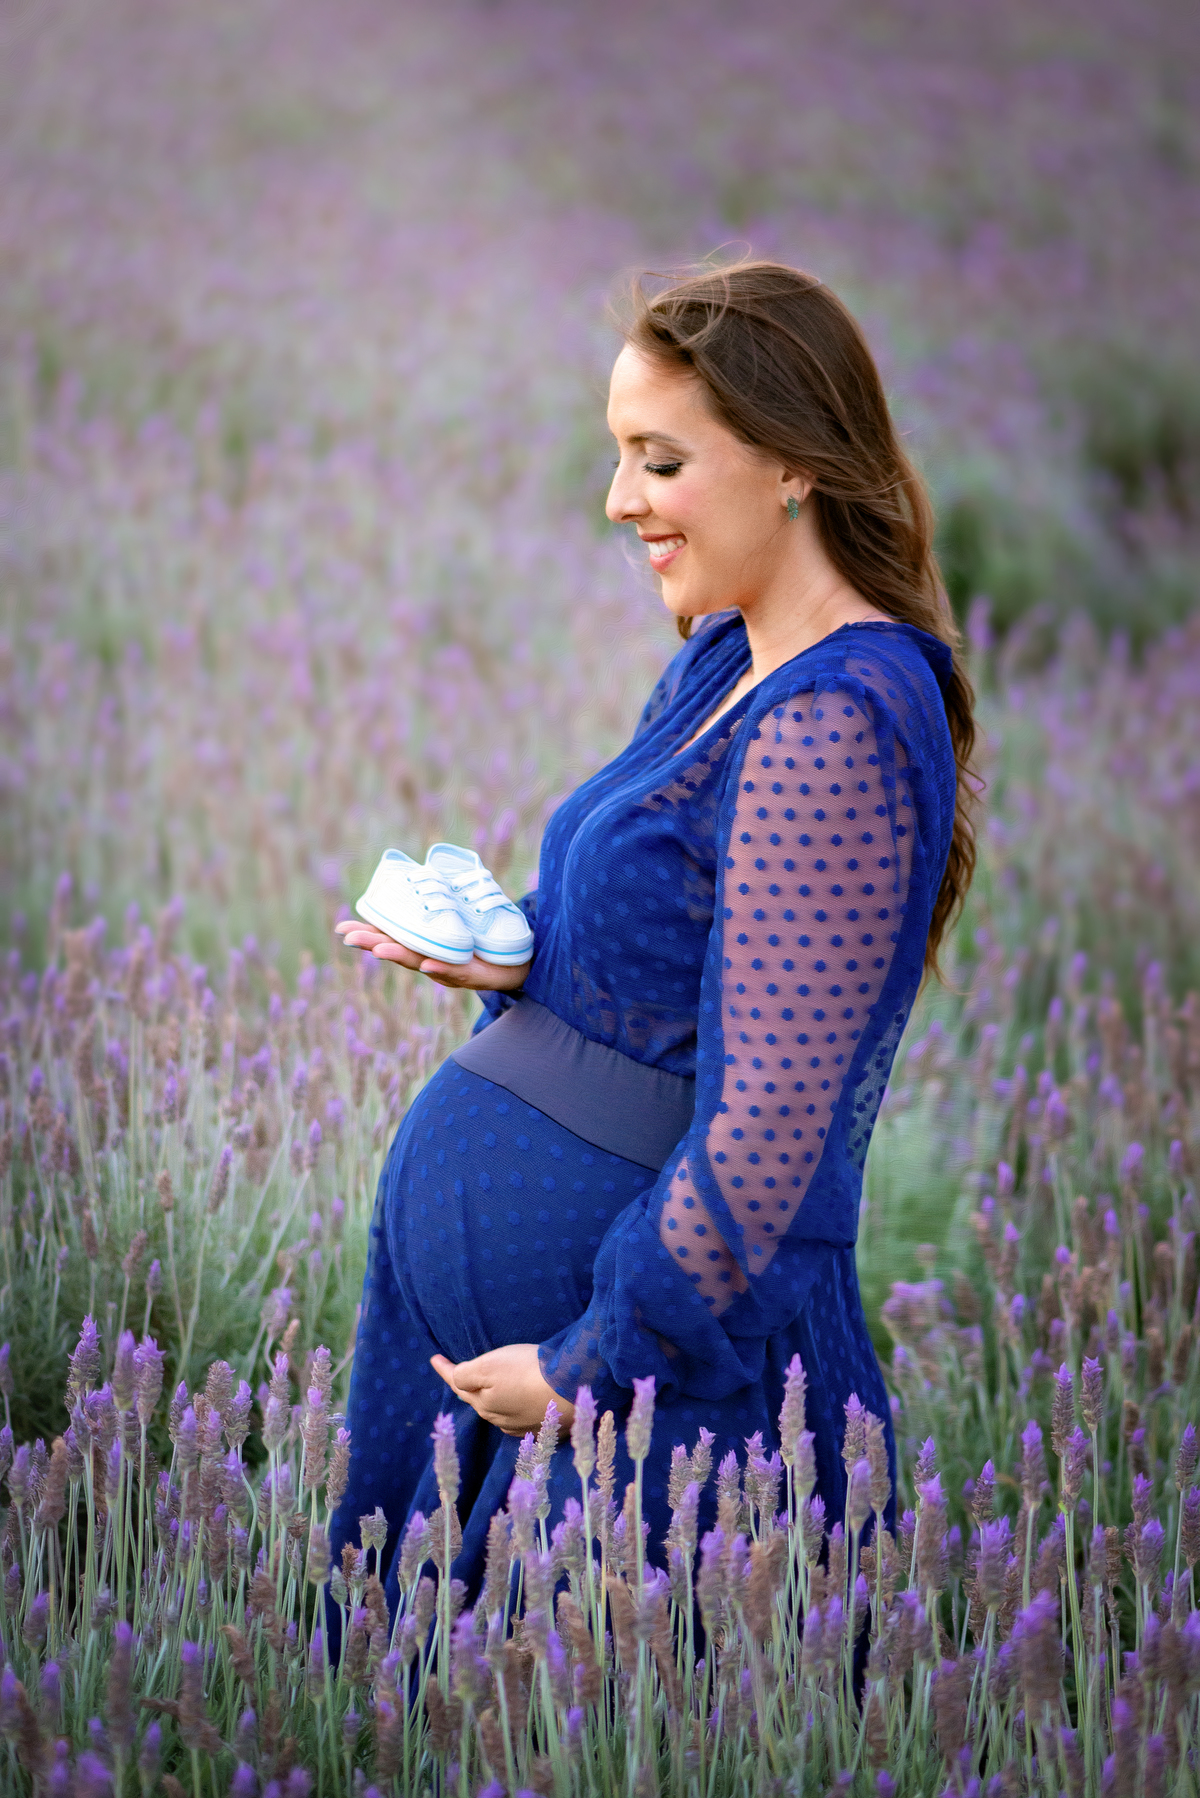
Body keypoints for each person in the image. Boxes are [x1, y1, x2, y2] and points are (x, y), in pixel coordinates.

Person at [331, 260, 976, 1622]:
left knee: (574, 1708)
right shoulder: (720, 656)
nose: (620, 500)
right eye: (619, 456)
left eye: (658, 460)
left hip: (647, 1372)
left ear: (793, 462)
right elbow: (678, 968)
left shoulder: (838, 718)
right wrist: (520, 969)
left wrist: (585, 1363)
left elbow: (766, 1135)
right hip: (505, 1336)